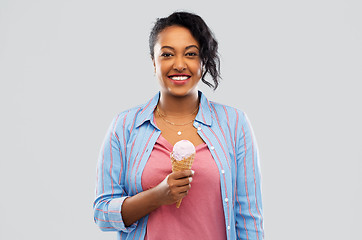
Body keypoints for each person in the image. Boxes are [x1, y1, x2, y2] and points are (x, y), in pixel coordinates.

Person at [93, 11, 264, 240]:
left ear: (203, 61)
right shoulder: (124, 127)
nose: (179, 64)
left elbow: (249, 218)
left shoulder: (235, 124)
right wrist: (157, 196)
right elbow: (102, 213)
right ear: (154, 62)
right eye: (167, 54)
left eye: (191, 54)